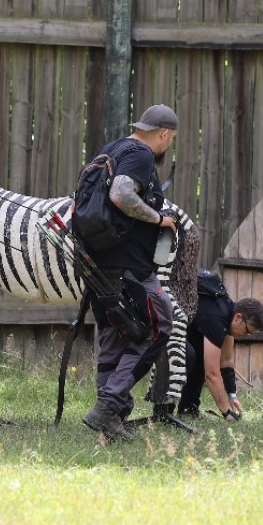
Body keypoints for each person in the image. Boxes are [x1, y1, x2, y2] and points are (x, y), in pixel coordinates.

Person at [78, 104, 181, 442]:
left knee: (114, 335)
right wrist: (158, 219)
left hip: (98, 262)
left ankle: (111, 421)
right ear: (164, 134)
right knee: (158, 325)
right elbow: (120, 193)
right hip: (130, 266)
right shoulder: (140, 154)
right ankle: (108, 407)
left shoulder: (111, 148)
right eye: (172, 140)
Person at [177, 269, 263, 420]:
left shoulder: (228, 312)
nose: (246, 336)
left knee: (200, 356)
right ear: (238, 318)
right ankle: (164, 410)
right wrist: (226, 413)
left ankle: (188, 410)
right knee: (192, 356)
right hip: (163, 326)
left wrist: (232, 394)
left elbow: (226, 361)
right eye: (248, 331)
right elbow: (212, 374)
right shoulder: (217, 319)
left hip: (185, 328)